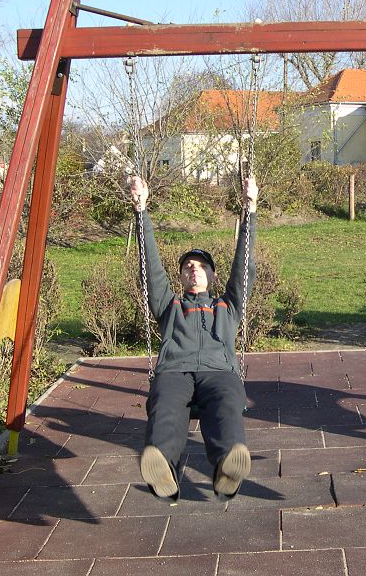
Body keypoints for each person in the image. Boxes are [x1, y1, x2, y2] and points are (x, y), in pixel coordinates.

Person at [129, 174, 258, 501]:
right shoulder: (169, 305)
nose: (194, 269)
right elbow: (150, 268)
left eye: (201, 265)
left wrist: (250, 210)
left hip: (218, 371)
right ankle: (162, 468)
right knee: (165, 404)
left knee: (228, 401)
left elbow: (244, 265)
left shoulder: (228, 306)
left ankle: (228, 466)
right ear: (181, 276)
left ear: (213, 275)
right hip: (175, 370)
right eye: (188, 265)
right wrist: (141, 211)